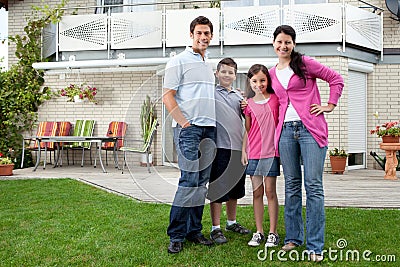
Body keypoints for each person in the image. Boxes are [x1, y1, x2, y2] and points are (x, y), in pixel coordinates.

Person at [269, 25, 344, 262]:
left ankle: (315, 246)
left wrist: (329, 105)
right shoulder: (272, 73)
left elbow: (336, 79)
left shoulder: (305, 64)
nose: (283, 46)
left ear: (293, 44)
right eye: (280, 42)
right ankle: (293, 238)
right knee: (291, 186)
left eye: (288, 42)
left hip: (310, 130)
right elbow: (270, 100)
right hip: (286, 133)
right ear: (274, 43)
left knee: (313, 187)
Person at [163, 16, 216, 254]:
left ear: (211, 36)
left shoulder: (208, 64)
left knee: (201, 184)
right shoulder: (178, 61)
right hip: (189, 130)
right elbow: (168, 95)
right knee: (189, 182)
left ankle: (194, 231)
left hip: (209, 129)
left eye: (207, 33)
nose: (203, 37)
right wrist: (184, 123)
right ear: (191, 35)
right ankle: (176, 235)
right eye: (199, 33)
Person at [207, 58, 250, 244]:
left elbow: (248, 120)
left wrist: (247, 106)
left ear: (235, 75)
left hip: (237, 149)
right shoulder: (210, 93)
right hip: (219, 149)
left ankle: (231, 222)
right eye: (223, 71)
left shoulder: (239, 97)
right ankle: (215, 228)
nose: (226, 75)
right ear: (217, 73)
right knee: (218, 189)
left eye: (230, 72)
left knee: (235, 189)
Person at [241, 64, 280, 247]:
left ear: (268, 81)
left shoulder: (276, 100)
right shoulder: (247, 105)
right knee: (257, 193)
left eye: (262, 80)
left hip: (271, 154)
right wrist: (244, 151)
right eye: (255, 81)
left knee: (271, 192)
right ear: (250, 82)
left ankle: (273, 232)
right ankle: (259, 232)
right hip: (254, 154)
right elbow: (247, 130)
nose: (259, 84)